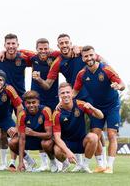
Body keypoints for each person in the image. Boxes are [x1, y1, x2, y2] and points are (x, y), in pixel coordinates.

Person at [34, 34, 106, 171]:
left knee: (96, 131)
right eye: (61, 43)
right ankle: (78, 163)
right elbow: (48, 84)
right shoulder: (57, 62)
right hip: (73, 97)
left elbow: (98, 59)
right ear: (58, 46)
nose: (64, 45)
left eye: (66, 42)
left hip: (90, 96)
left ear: (71, 43)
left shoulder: (81, 53)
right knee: (74, 129)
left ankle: (101, 164)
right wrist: (38, 79)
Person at [0, 33, 32, 170]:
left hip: (20, 97)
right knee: (4, 131)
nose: (11, 46)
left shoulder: (23, 58)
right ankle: (5, 162)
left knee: (22, 129)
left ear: (18, 44)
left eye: (13, 43)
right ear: (4, 45)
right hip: (3, 97)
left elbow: (39, 57)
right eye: (8, 44)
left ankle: (20, 161)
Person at [73, 45, 125, 173]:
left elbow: (122, 85)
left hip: (112, 106)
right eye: (86, 56)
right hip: (96, 108)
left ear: (95, 55)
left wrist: (118, 86)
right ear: (82, 58)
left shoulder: (106, 69)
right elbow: (74, 91)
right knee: (95, 136)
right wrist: (63, 102)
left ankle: (110, 167)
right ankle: (101, 165)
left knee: (112, 134)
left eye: (91, 55)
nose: (89, 58)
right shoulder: (81, 74)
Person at [19, 38, 60, 172]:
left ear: (50, 48)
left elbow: (68, 51)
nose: (43, 51)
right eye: (40, 49)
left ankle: (56, 161)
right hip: (35, 99)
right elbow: (18, 50)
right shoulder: (32, 58)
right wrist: (2, 51)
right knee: (38, 127)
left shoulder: (55, 56)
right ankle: (43, 163)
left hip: (52, 99)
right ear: (36, 49)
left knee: (52, 130)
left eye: (45, 48)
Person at [53, 82, 104, 173]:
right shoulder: (57, 113)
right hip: (67, 143)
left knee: (94, 137)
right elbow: (57, 138)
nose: (65, 95)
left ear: (72, 93)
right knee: (56, 150)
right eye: (63, 93)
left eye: (68, 92)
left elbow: (101, 116)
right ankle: (65, 164)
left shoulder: (81, 104)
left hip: (82, 141)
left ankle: (84, 165)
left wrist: (92, 108)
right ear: (59, 95)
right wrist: (68, 152)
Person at [8, 90, 54, 172]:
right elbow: (22, 139)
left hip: (43, 139)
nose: (31, 105)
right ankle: (30, 161)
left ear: (38, 102)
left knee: (46, 143)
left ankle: (53, 162)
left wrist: (33, 133)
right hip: (29, 141)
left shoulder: (46, 110)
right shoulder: (22, 114)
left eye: (34, 102)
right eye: (28, 103)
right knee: (12, 142)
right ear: (25, 104)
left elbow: (49, 134)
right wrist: (21, 162)